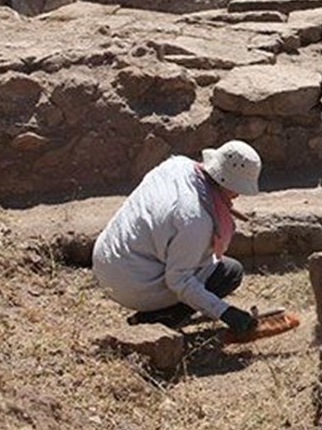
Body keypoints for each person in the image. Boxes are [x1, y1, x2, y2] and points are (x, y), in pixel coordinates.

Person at [92, 140, 262, 335]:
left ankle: (160, 313)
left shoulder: (177, 165)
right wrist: (225, 312)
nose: (237, 196)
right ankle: (162, 318)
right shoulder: (195, 219)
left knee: (215, 265)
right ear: (230, 185)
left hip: (106, 258)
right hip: (131, 284)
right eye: (238, 189)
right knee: (229, 273)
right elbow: (179, 280)